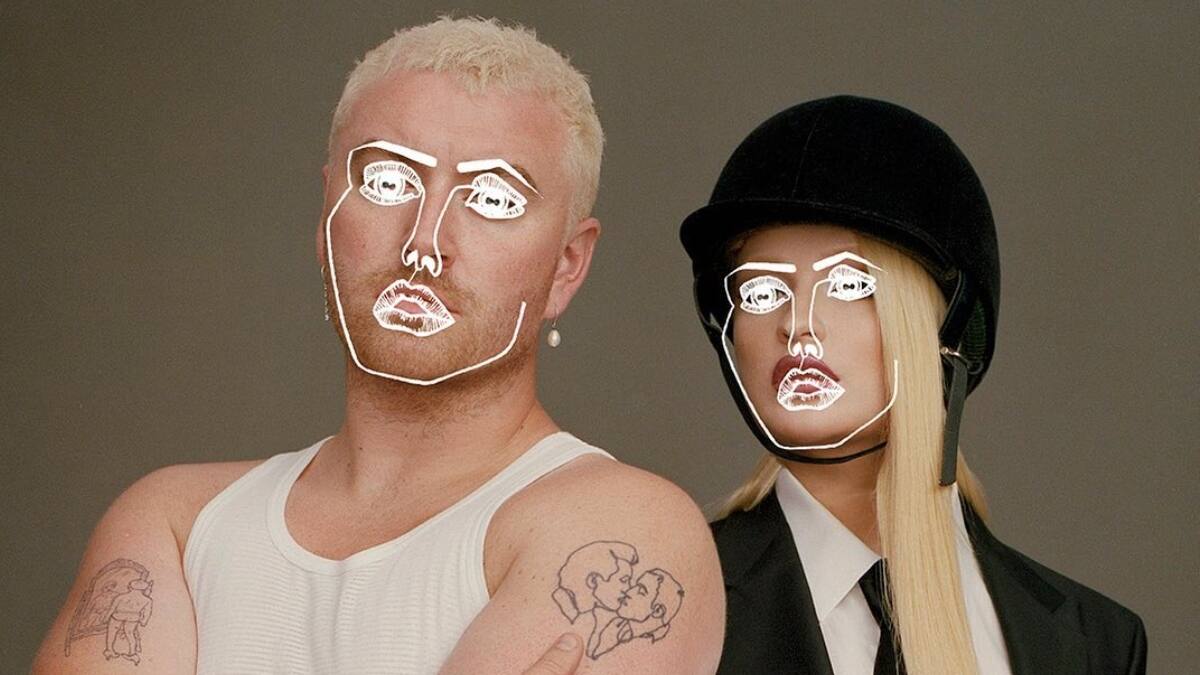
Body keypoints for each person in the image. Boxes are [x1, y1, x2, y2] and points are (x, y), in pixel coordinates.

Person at [33, 17, 723, 674]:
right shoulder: (176, 523)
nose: (424, 245)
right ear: (326, 215)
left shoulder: (628, 531)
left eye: (493, 200)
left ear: (567, 265)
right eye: (388, 183)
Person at [679, 95, 1146, 674]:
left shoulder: (1092, 642)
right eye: (761, 292)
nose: (798, 327)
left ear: (949, 331)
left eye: (849, 286)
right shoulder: (665, 606)